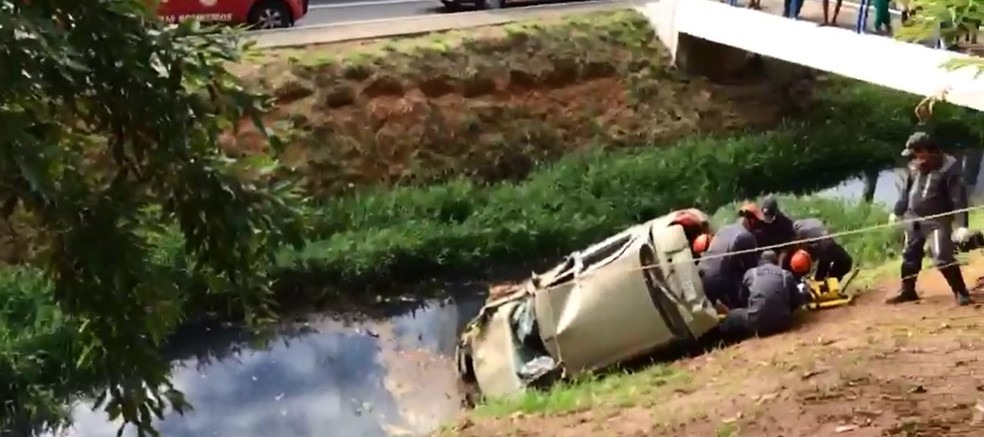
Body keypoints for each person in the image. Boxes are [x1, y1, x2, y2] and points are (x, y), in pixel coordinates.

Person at [888, 131, 974, 306]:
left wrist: (961, 225)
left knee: (942, 255)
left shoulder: (950, 169)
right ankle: (908, 290)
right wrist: (897, 211)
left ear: (929, 151)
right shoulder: (914, 167)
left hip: (937, 220)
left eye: (917, 154)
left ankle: (961, 292)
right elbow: (906, 191)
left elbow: (958, 199)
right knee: (909, 255)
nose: (914, 159)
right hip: (913, 217)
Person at [715, 250, 808, 341]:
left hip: (757, 321)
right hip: (784, 322)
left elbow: (742, 298)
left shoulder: (751, 273)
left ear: (760, 261)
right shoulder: (785, 274)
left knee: (732, 316)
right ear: (775, 262)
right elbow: (796, 300)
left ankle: (722, 342)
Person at [697, 219, 760, 310]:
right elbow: (752, 267)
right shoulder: (745, 236)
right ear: (752, 222)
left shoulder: (724, 229)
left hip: (702, 272)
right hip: (720, 280)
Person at [792, 218, 854, 282]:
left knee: (824, 272)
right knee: (843, 262)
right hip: (827, 245)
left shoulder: (802, 230)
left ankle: (827, 285)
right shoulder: (814, 222)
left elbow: (800, 243)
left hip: (825, 247)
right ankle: (826, 284)